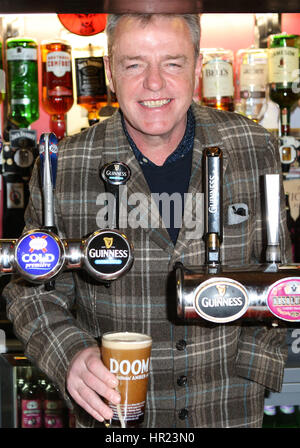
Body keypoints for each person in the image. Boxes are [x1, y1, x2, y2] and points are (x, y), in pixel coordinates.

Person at [3, 13, 292, 428]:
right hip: (113, 414)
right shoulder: (64, 163)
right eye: (134, 64)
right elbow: (29, 291)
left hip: (228, 408)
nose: (154, 83)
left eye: (172, 63)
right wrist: (71, 355)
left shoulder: (253, 145)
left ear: (195, 66)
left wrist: (255, 368)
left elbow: (278, 274)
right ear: (110, 73)